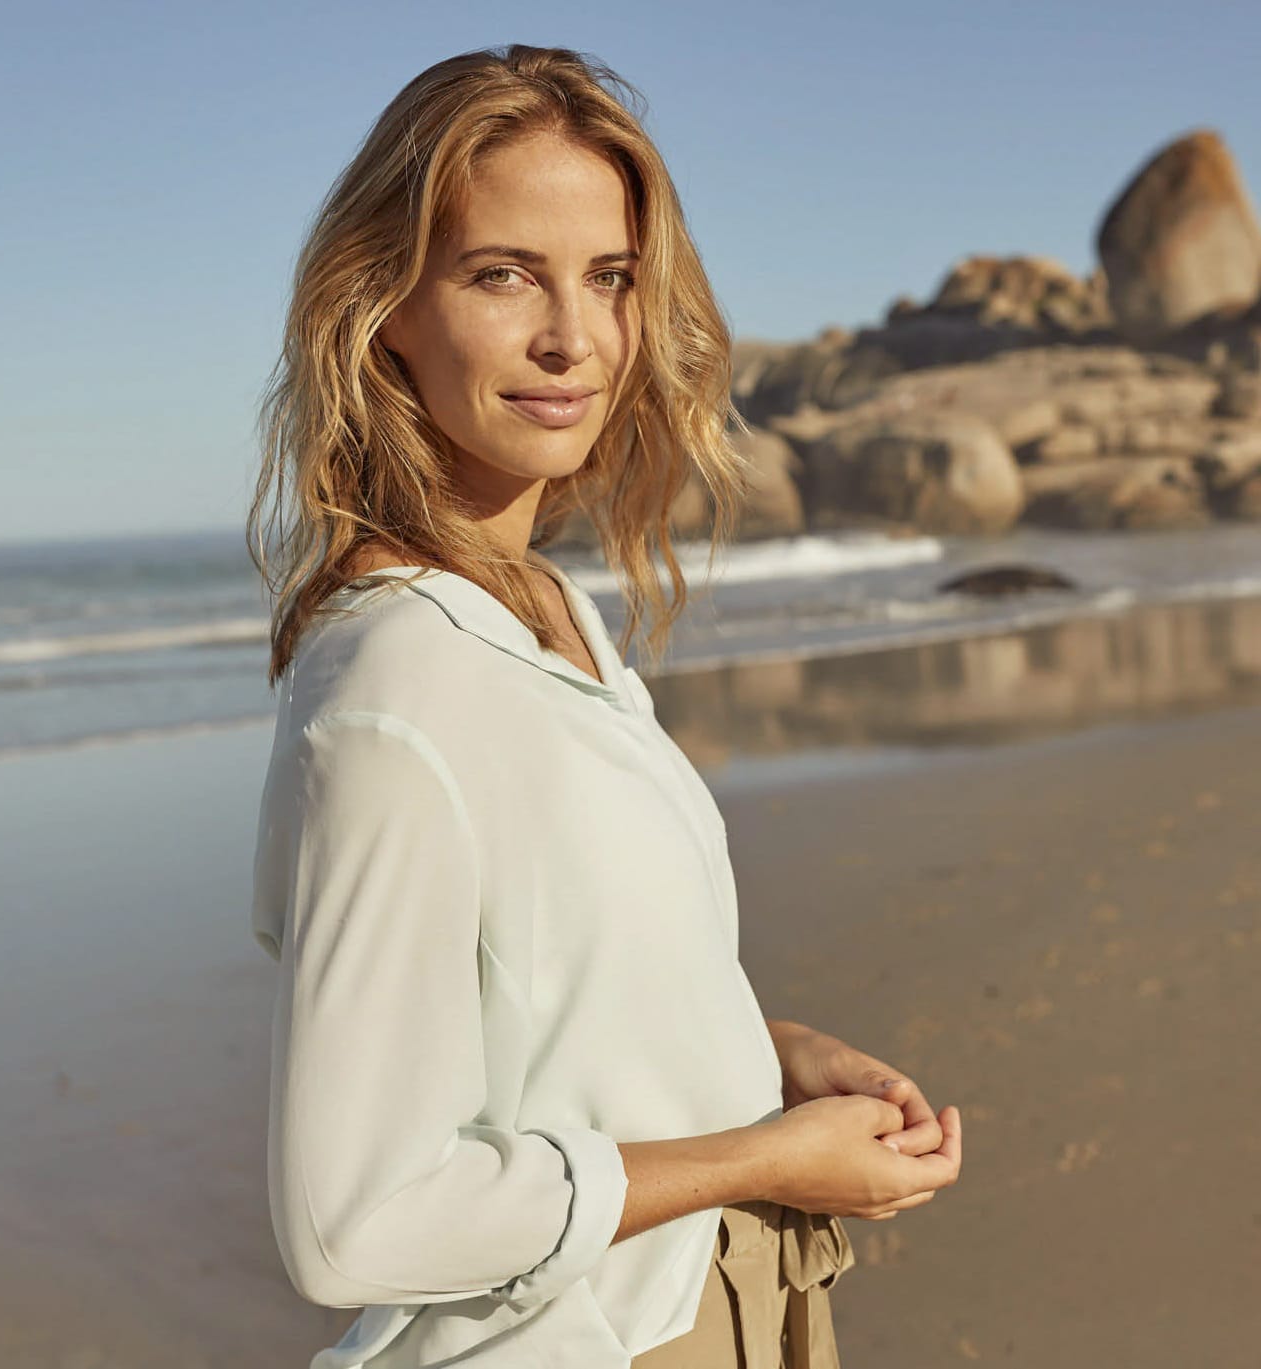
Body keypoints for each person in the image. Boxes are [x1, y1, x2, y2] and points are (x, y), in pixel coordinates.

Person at [246, 44, 961, 1369]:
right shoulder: (395, 693)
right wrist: (759, 1152)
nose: (573, 337)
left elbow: (557, 981)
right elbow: (351, 1221)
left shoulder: (544, 611)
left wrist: (766, 1051)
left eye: (610, 278)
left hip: (721, 1304)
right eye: (501, 273)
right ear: (383, 301)